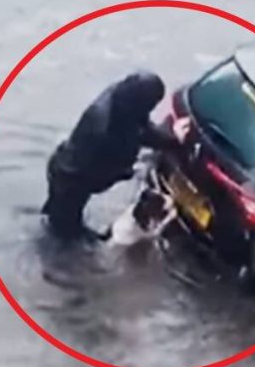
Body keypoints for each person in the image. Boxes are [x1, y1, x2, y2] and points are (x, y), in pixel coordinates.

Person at [41, 70, 178, 240]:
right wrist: (128, 171)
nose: (152, 109)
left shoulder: (123, 98)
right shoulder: (105, 129)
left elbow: (141, 129)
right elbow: (108, 166)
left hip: (70, 168)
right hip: (70, 179)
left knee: (58, 221)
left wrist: (172, 139)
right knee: (64, 235)